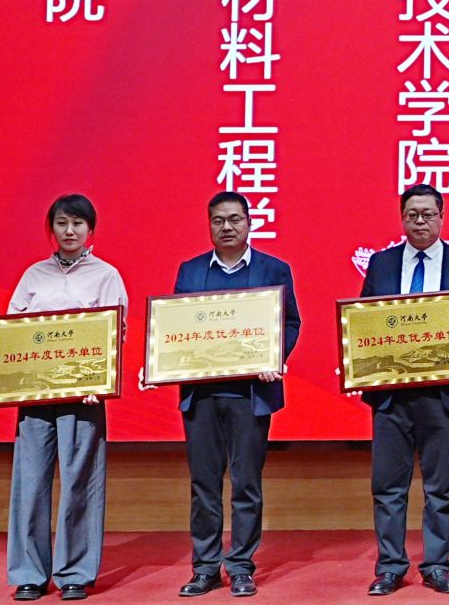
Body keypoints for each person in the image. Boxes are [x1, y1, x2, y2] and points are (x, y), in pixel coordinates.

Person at [358, 183, 449, 596]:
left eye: (428, 214)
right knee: (388, 487)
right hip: (391, 394)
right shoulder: (381, 263)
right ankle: (390, 567)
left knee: (441, 488)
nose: (420, 221)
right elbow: (362, 320)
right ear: (402, 218)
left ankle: (437, 565)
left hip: (443, 393)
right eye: (412, 214)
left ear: (441, 217)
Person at [173, 191, 302, 599]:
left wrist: (274, 356)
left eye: (234, 219)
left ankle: (242, 566)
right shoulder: (191, 271)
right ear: (209, 225)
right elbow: (176, 328)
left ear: (249, 223)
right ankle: (205, 568)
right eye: (218, 220)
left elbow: (291, 323)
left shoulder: (274, 269)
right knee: (204, 485)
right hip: (201, 396)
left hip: (251, 395)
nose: (226, 227)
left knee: (246, 484)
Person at [2, 194, 129, 602]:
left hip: (84, 396)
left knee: (81, 483)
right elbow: (11, 334)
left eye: (77, 223)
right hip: (35, 396)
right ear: (51, 228)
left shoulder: (106, 275)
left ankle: (75, 572)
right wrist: (1, 379)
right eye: (61, 223)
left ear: (90, 229)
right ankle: (30, 574)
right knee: (30, 483)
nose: (69, 231)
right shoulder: (33, 275)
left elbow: (116, 334)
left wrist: (98, 380)